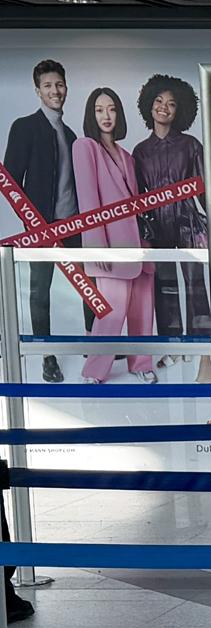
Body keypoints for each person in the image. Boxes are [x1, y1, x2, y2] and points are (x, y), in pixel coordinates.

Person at [3, 59, 82, 384]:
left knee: (88, 283)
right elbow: (10, 181)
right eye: (48, 86)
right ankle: (46, 356)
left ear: (66, 87)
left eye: (59, 84)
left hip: (75, 223)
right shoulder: (25, 126)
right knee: (40, 291)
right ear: (38, 91)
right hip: (41, 226)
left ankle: (98, 348)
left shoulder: (73, 133)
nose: (55, 91)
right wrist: (31, 222)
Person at [131, 73, 211, 382]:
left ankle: (203, 348)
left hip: (189, 223)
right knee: (163, 287)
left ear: (181, 110)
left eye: (172, 103)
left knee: (195, 286)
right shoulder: (140, 151)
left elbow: (206, 189)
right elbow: (138, 195)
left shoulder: (191, 145)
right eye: (159, 101)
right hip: (158, 226)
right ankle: (173, 345)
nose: (164, 107)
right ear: (149, 106)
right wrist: (144, 230)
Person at [73, 86, 156, 384]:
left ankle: (141, 364)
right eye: (99, 109)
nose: (106, 115)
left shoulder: (127, 155)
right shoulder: (85, 147)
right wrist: (97, 249)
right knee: (110, 314)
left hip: (141, 248)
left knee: (143, 312)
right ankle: (94, 370)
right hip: (110, 247)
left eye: (111, 109)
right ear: (91, 115)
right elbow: (88, 200)